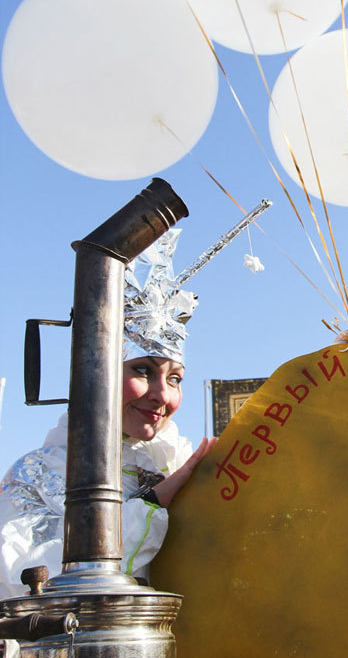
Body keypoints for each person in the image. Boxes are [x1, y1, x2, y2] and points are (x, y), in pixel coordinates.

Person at [0, 229, 216, 598]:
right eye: (143, 371)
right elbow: (34, 584)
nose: (163, 395)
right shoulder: (39, 474)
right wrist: (152, 504)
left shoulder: (184, 465)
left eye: (175, 378)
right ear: (97, 372)